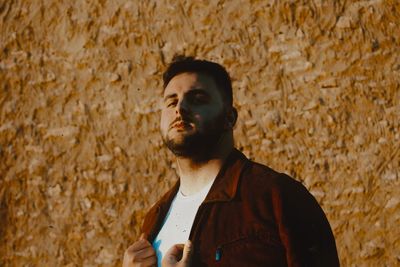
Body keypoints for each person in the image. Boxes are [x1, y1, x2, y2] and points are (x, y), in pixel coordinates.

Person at [123, 56, 340, 267]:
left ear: (230, 117)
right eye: (172, 101)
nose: (180, 108)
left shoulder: (275, 197)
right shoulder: (153, 220)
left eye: (197, 98)